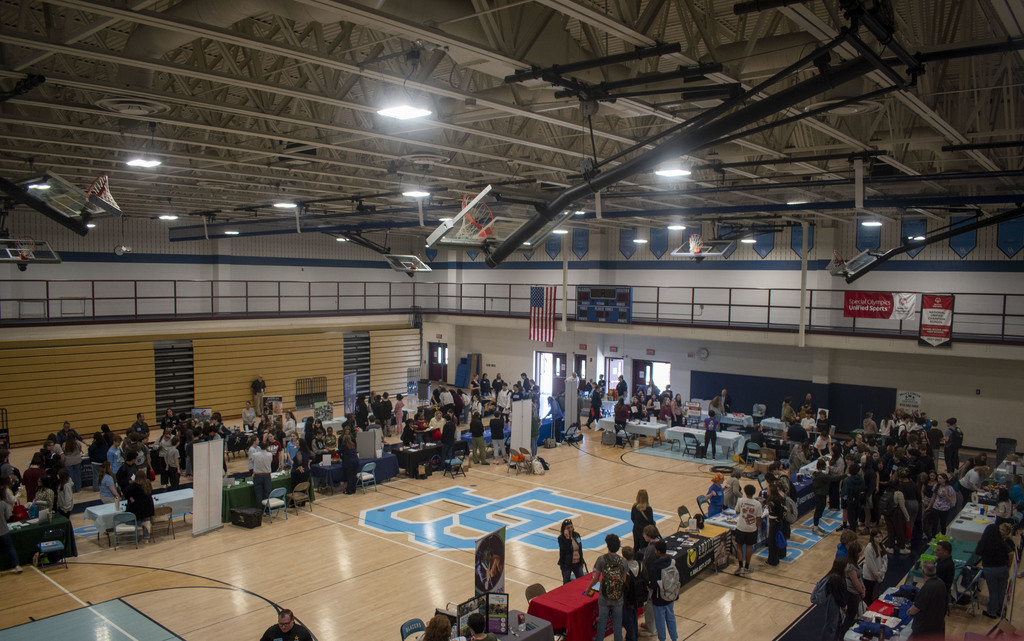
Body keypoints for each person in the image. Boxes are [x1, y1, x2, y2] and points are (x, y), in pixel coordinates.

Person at [587, 533, 626, 641]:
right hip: (618, 596)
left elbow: (595, 578)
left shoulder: (601, 559)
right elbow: (624, 580)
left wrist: (588, 588)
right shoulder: (623, 561)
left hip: (604, 595)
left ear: (608, 545)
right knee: (617, 622)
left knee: (602, 621)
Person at [976, 521, 1014, 618]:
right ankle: (1000, 610)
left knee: (993, 591)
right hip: (1002, 568)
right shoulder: (1001, 542)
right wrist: (1008, 566)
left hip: (990, 569)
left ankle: (992, 612)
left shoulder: (983, 543)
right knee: (1002, 591)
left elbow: (978, 553)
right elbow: (1011, 554)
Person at [646, 540, 678, 641]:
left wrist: (648, 585)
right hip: (670, 595)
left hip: (659, 598)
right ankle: (674, 638)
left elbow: (654, 584)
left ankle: (662, 639)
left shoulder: (656, 566)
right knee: (671, 618)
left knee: (660, 622)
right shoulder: (672, 561)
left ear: (658, 551)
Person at [907, 560, 947, 637]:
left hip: (925, 628)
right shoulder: (941, 583)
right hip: (938, 624)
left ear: (923, 572)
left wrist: (909, 612)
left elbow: (917, 607)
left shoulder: (927, 588)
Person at [734, 484, 761, 576]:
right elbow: (758, 518)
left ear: (745, 492)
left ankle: (740, 567)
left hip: (741, 527)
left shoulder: (741, 501)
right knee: (749, 546)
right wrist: (757, 526)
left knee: (739, 546)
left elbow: (737, 512)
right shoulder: (757, 504)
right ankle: (747, 567)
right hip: (751, 529)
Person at [820, 558, 849, 641]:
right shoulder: (836, 579)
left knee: (831, 624)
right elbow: (838, 595)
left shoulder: (834, 576)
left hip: (832, 603)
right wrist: (843, 605)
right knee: (831, 626)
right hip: (833, 604)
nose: (848, 567)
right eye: (846, 565)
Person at [842, 541, 866, 630]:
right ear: (857, 553)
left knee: (852, 613)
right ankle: (843, 634)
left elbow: (859, 578)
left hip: (855, 592)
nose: (863, 552)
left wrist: (863, 587)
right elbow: (855, 582)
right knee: (851, 615)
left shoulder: (854, 563)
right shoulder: (851, 566)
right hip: (851, 593)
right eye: (861, 551)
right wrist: (861, 591)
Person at [861, 528, 887, 603]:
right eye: (877, 537)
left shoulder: (882, 546)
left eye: (880, 536)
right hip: (870, 577)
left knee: (876, 595)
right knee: (868, 597)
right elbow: (870, 564)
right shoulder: (869, 548)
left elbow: (885, 561)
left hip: (879, 576)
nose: (879, 538)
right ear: (872, 537)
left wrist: (882, 572)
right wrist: (877, 575)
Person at [557, 518, 585, 584]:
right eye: (568, 527)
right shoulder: (561, 539)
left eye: (571, 527)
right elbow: (567, 550)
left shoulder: (577, 535)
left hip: (578, 564)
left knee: (581, 581)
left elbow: (580, 549)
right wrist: (568, 539)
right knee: (566, 583)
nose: (570, 529)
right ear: (564, 529)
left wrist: (581, 561)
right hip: (566, 565)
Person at [0, 497, 22, 574]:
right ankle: (16, 566)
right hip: (4, 531)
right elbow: (7, 517)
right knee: (10, 548)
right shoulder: (3, 503)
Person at [252, 441, 273, 506]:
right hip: (267, 475)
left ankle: (260, 510)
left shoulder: (255, 455)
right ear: (267, 447)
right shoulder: (270, 455)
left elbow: (253, 462)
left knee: (258, 494)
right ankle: (267, 509)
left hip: (258, 475)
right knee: (267, 492)